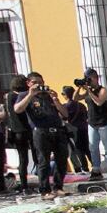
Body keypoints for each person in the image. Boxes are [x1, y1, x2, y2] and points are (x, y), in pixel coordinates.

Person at [13, 72, 70, 200]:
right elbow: (17, 109)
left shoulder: (48, 95)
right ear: (28, 83)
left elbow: (65, 114)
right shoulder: (24, 95)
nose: (38, 85)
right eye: (35, 82)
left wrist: (55, 100)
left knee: (62, 158)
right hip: (40, 131)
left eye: (41, 82)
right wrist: (30, 94)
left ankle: (58, 187)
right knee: (43, 161)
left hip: (57, 129)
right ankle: (45, 190)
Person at [75, 68, 107, 182]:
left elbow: (99, 102)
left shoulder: (103, 90)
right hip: (92, 123)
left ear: (96, 78)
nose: (88, 81)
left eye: (89, 79)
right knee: (93, 147)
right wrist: (79, 87)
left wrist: (89, 91)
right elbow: (75, 98)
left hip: (104, 122)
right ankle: (96, 170)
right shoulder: (87, 91)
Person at [5, 75, 35, 193]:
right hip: (24, 129)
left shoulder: (8, 96)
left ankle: (24, 184)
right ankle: (26, 185)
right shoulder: (19, 96)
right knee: (32, 156)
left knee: (22, 158)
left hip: (14, 130)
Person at [62, 85, 91, 174]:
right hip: (84, 128)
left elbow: (64, 117)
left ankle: (85, 168)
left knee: (78, 149)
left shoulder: (65, 106)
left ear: (66, 95)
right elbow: (86, 116)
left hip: (74, 129)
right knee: (87, 148)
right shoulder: (81, 105)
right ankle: (95, 165)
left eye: (63, 94)